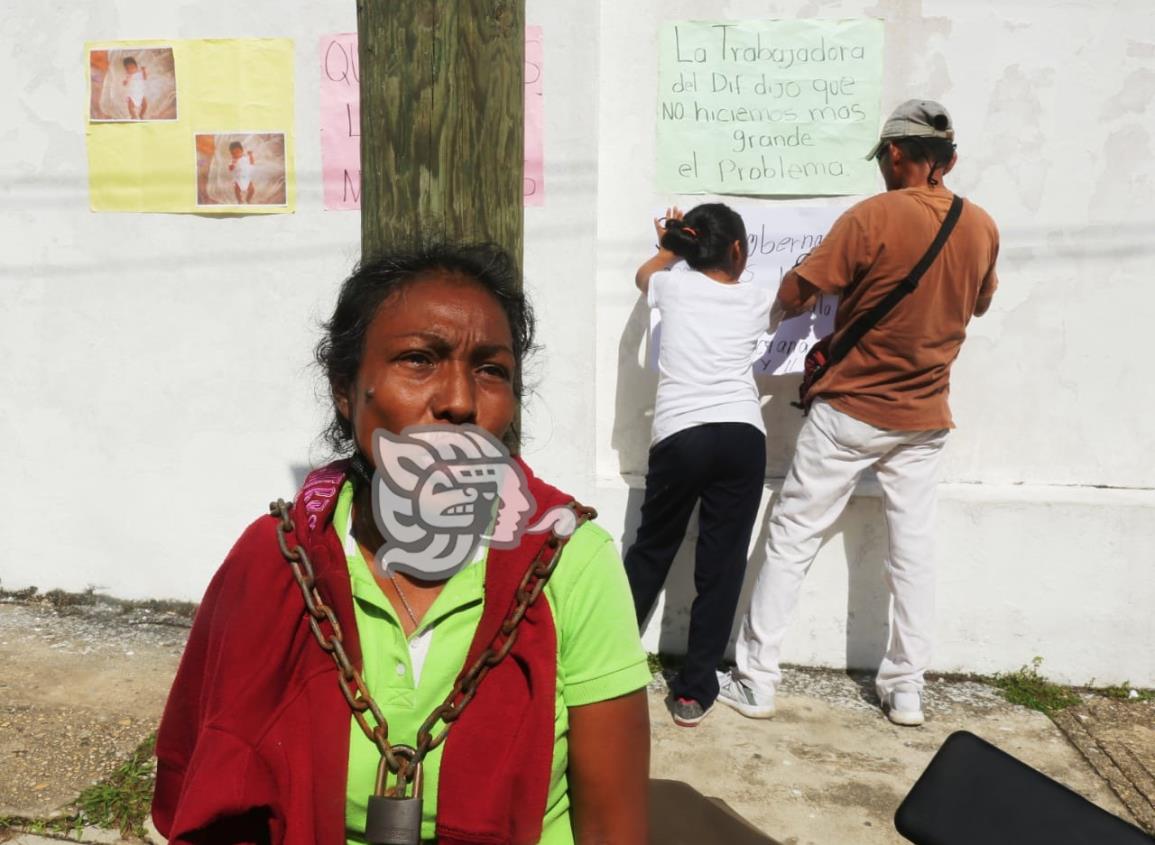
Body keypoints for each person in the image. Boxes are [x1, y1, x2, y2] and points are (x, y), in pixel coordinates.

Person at [152, 243, 652, 844]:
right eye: (419, 360)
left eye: (491, 370)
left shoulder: (572, 560)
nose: (460, 401)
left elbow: (613, 830)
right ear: (346, 389)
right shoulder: (277, 559)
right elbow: (214, 793)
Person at [717, 100, 1000, 727]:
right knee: (914, 549)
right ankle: (906, 689)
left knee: (793, 536)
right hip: (925, 416)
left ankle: (757, 680)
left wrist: (760, 313)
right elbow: (978, 306)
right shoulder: (981, 226)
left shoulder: (873, 216)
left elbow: (799, 290)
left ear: (898, 154)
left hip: (851, 409)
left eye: (882, 158)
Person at [625, 203, 772, 728]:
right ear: (737, 250)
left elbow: (646, 273)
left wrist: (668, 246)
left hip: (680, 435)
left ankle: (610, 662)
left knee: (651, 552)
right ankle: (694, 690)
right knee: (722, 562)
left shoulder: (672, 286)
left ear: (688, 247)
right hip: (741, 435)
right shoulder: (757, 297)